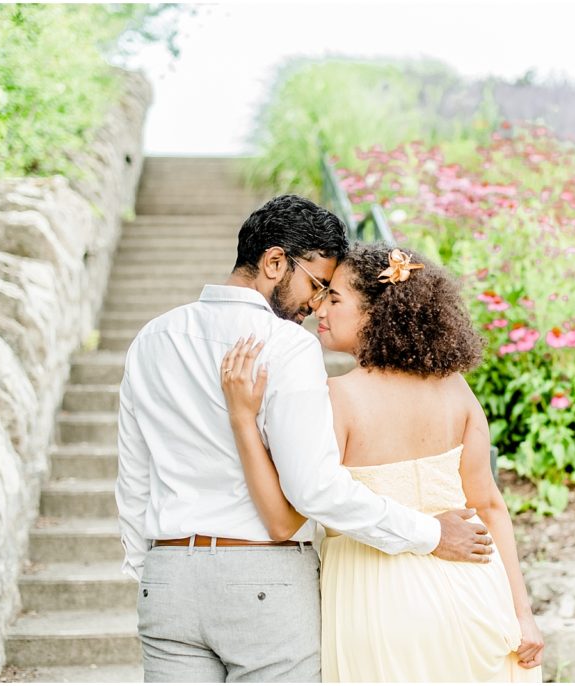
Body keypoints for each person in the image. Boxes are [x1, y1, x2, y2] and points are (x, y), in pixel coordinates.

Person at [115, 196, 492, 683]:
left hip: (166, 579)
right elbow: (314, 490)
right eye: (316, 286)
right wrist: (432, 533)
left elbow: (132, 476)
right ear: (274, 262)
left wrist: (146, 571)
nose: (315, 306)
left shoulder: (152, 338)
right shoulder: (285, 345)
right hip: (262, 581)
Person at [220, 243, 544, 682]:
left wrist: (242, 416)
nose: (320, 310)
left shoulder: (336, 397)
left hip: (377, 605)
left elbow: (292, 509)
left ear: (376, 314)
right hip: (475, 595)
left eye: (334, 299)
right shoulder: (456, 390)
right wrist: (521, 614)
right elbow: (489, 506)